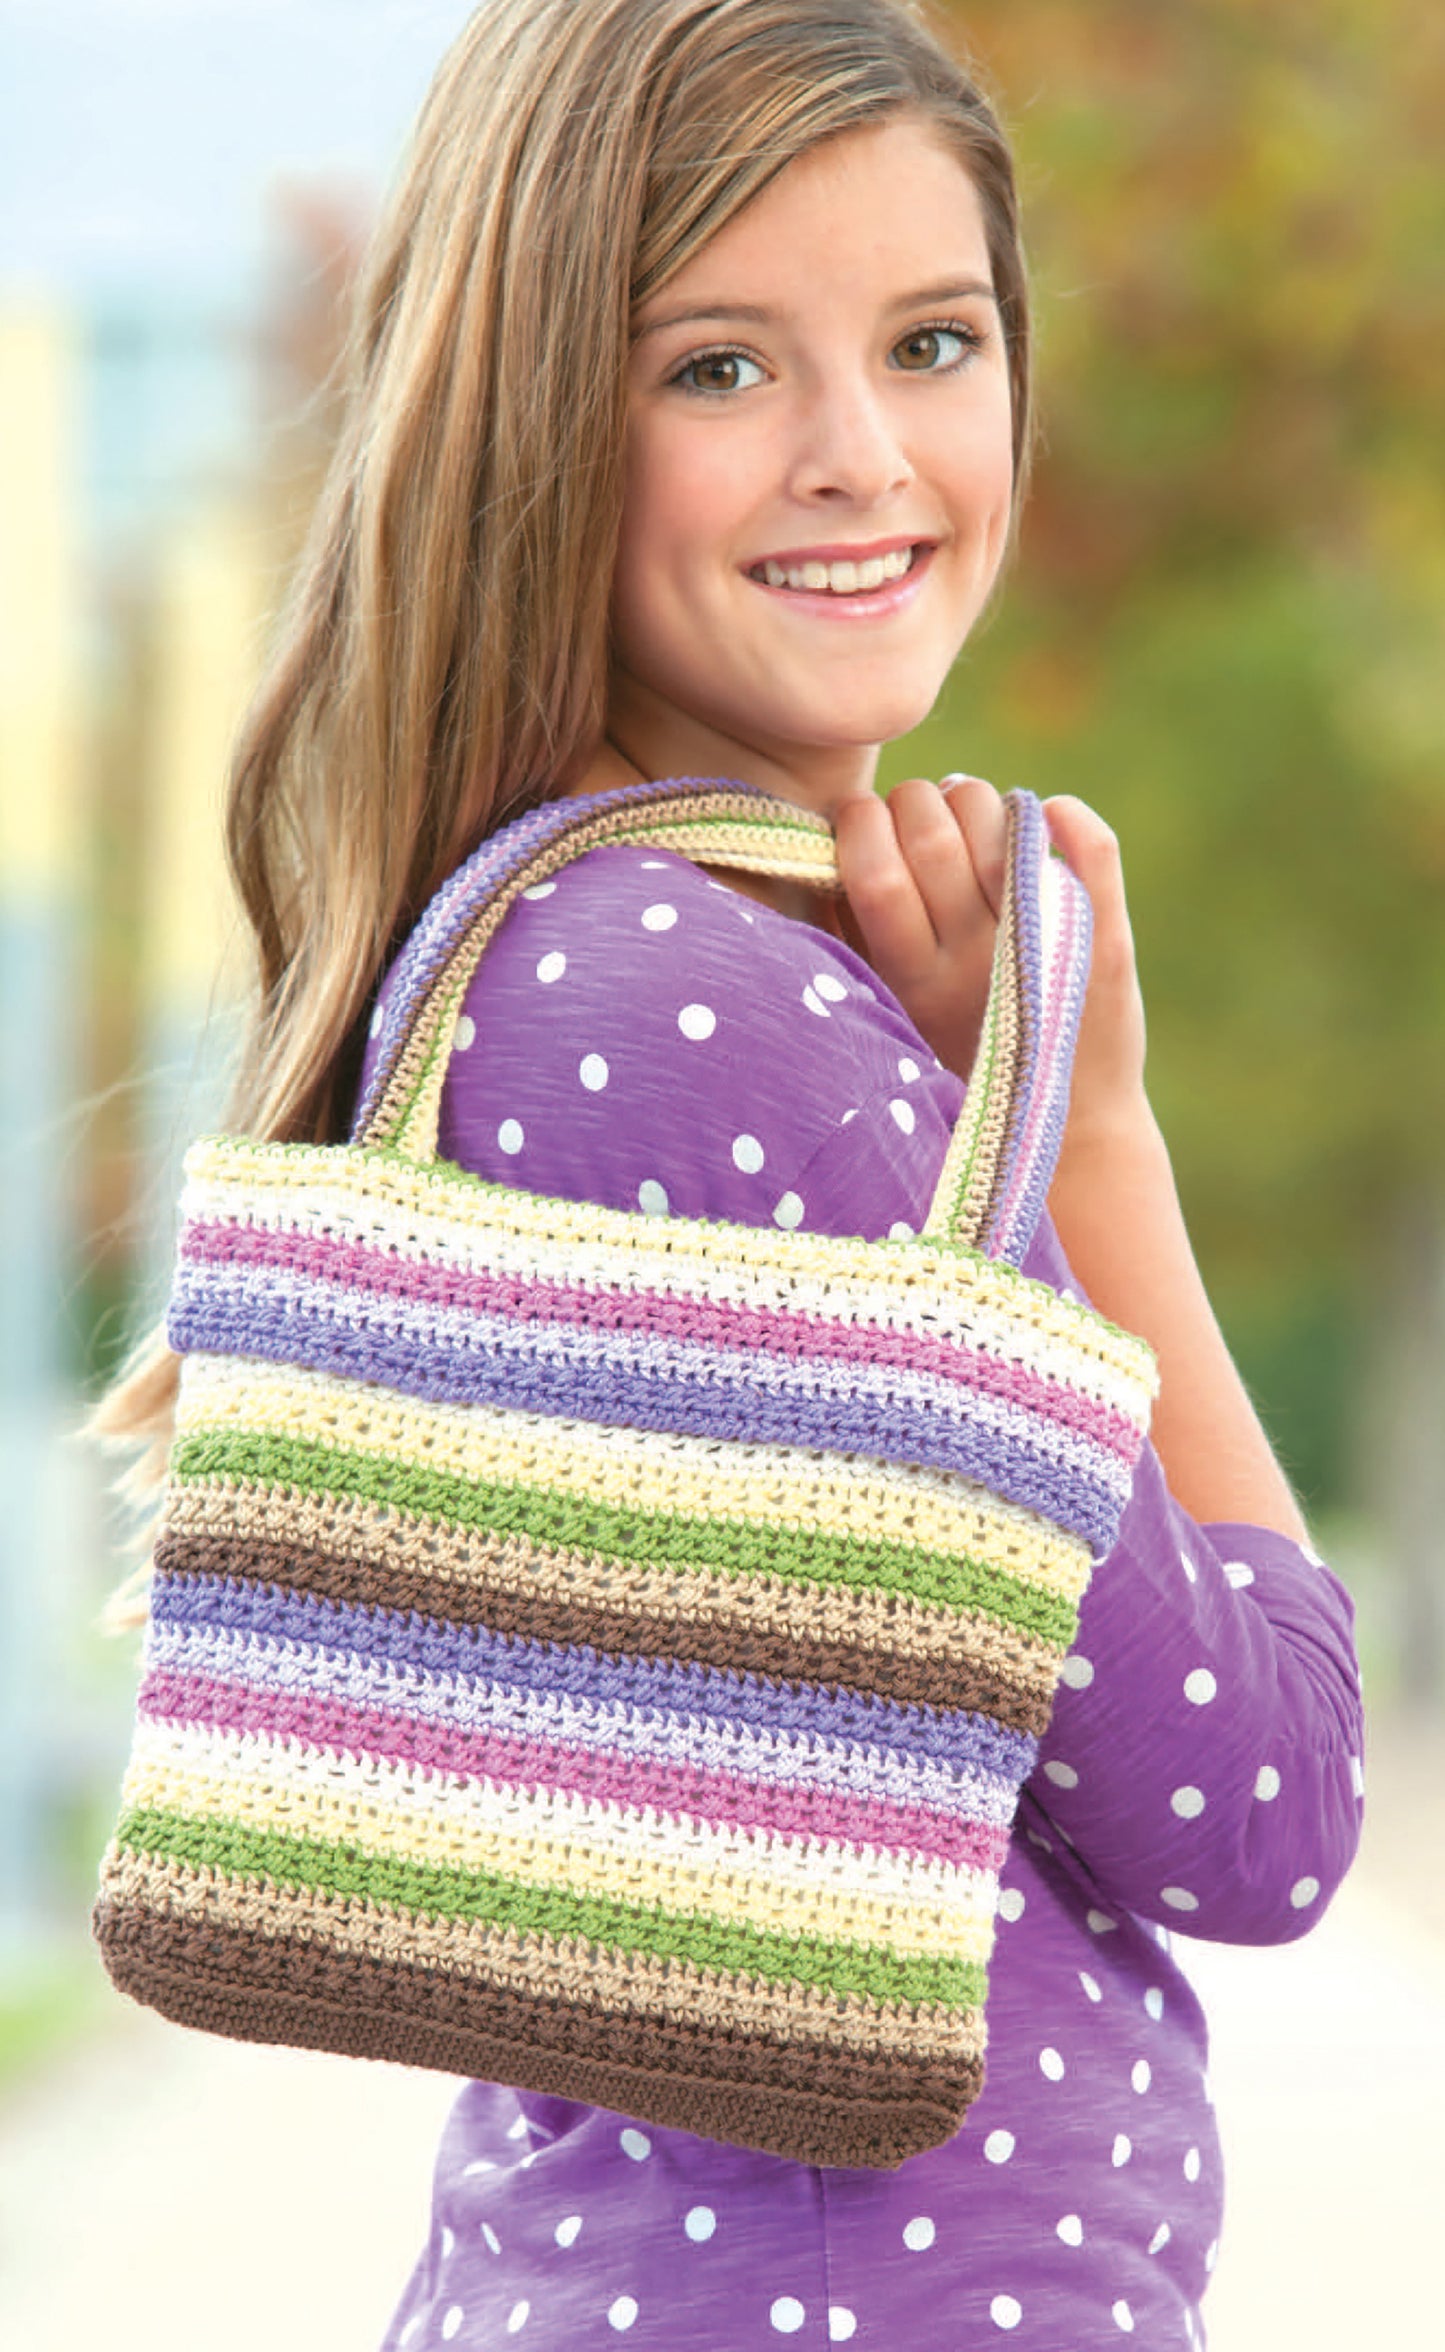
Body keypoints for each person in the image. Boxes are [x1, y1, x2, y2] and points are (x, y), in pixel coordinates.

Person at [90, 2, 1365, 2345]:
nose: (865, 455)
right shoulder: (691, 1013)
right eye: (718, 369)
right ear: (534, 407)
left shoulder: (600, 951)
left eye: (934, 339)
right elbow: (1262, 1805)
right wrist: (1098, 1147)